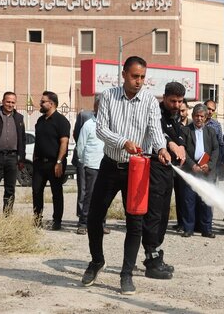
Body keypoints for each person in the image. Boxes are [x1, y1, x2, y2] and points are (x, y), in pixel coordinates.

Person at [81, 56, 170, 295]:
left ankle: (126, 274)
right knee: (94, 217)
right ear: (123, 74)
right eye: (134, 76)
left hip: (137, 171)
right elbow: (101, 129)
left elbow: (155, 130)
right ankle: (97, 261)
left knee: (135, 223)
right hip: (110, 167)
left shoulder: (150, 102)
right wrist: (123, 142)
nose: (139, 81)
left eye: (142, 77)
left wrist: (161, 149)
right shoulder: (108, 96)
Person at [142, 81, 186, 280]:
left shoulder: (175, 117)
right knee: (154, 215)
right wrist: (170, 144)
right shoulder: (156, 113)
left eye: (180, 101)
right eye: (173, 101)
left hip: (168, 172)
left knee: (164, 216)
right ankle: (151, 261)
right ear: (165, 98)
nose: (176, 105)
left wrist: (181, 146)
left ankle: (157, 255)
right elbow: (157, 132)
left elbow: (178, 136)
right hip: (154, 170)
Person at [32, 91, 70, 230]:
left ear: (51, 104)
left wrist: (59, 162)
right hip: (39, 163)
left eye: (43, 101)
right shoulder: (40, 120)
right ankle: (37, 219)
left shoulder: (61, 121)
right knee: (36, 191)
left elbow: (64, 142)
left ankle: (57, 220)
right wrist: (35, 156)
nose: (40, 104)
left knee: (56, 193)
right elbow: (38, 141)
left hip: (55, 164)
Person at [181, 103, 219, 238]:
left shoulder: (211, 132)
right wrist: (192, 165)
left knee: (206, 201)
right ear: (192, 116)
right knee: (189, 201)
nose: (199, 118)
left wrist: (209, 165)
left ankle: (207, 229)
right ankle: (188, 229)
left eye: (201, 116)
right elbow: (183, 150)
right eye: (196, 116)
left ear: (205, 117)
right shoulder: (186, 130)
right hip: (191, 170)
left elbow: (215, 150)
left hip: (206, 171)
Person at [75, 97, 104, 235]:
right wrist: (83, 160)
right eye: (101, 105)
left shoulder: (111, 125)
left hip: (106, 165)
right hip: (92, 165)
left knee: (104, 196)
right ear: (96, 106)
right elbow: (80, 145)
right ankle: (83, 223)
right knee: (90, 195)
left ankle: (101, 224)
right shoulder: (88, 125)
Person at [72, 108, 94, 222]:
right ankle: (82, 217)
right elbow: (77, 135)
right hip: (84, 157)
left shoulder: (109, 117)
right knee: (83, 189)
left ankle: (100, 221)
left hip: (101, 159)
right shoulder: (85, 116)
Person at [172, 98, 191, 232]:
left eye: (183, 110)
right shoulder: (173, 124)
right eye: (179, 110)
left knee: (185, 196)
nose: (181, 113)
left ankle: (186, 223)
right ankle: (179, 223)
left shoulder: (191, 126)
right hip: (173, 164)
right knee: (177, 195)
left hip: (187, 166)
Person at [203, 99, 223, 179]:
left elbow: (220, 144)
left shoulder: (216, 125)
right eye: (208, 108)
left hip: (211, 162)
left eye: (213, 110)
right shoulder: (195, 123)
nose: (210, 112)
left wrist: (219, 162)